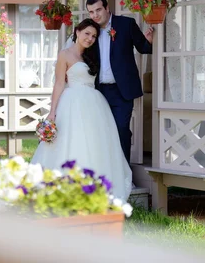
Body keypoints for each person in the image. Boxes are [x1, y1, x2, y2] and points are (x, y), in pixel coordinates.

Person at [31, 19, 132, 201]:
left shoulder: (92, 56)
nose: (90, 38)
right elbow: (59, 83)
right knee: (72, 140)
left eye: (93, 36)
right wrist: (52, 111)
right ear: (77, 32)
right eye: (87, 34)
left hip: (94, 104)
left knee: (94, 143)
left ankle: (94, 186)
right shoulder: (65, 55)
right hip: (72, 103)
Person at [64, 0, 153, 164]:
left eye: (98, 10)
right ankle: (104, 171)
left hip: (122, 91)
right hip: (97, 91)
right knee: (100, 132)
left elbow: (143, 47)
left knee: (121, 130)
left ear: (107, 8)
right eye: (91, 12)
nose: (95, 15)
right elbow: (77, 53)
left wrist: (149, 41)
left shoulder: (126, 24)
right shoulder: (90, 32)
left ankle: (125, 173)